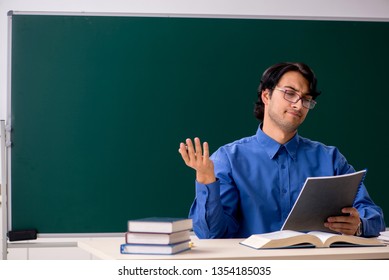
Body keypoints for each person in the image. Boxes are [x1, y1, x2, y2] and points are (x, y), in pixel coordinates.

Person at [178, 62, 385, 239]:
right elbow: (211, 235)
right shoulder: (229, 159)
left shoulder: (330, 159)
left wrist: (358, 226)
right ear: (266, 96)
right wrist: (206, 180)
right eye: (290, 93)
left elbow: (375, 217)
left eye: (306, 99)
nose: (298, 104)